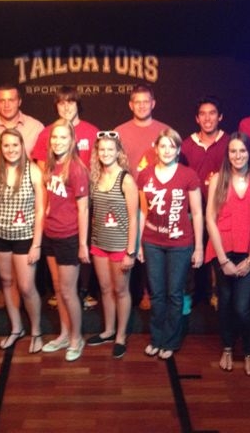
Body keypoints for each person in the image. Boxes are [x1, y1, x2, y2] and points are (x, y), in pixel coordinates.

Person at [205, 132, 250, 376]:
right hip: (222, 250)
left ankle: (249, 350)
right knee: (224, 303)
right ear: (227, 154)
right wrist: (222, 260)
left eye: (242, 151)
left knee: (242, 306)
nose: (238, 155)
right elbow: (210, 219)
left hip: (249, 251)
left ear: (249, 152)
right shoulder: (218, 180)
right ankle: (227, 347)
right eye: (233, 151)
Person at [0, 128, 45, 353]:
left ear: (22, 145)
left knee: (26, 287)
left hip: (25, 238)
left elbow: (40, 209)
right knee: (6, 282)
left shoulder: (33, 171)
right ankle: (16, 328)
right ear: (0, 147)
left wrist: (36, 243)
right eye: (6, 145)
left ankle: (36, 331)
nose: (11, 149)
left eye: (15, 145)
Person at [138, 128, 203, 360]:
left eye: (172, 146)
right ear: (156, 148)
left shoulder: (188, 175)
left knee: (175, 293)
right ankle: (156, 338)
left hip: (180, 243)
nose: (167, 150)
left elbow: (196, 212)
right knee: (156, 293)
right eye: (163, 146)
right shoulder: (144, 175)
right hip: (152, 242)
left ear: (178, 150)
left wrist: (199, 247)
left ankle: (171, 340)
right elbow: (142, 212)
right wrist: (138, 244)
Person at [32, 86, 100, 310]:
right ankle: (63, 290)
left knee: (86, 246)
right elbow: (44, 172)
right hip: (61, 201)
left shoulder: (91, 131)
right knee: (62, 249)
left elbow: (100, 165)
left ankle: (85, 290)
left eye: (71, 102)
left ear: (77, 105)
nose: (66, 107)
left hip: (87, 199)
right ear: (57, 106)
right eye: (62, 103)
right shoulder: (47, 133)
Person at [115, 83, 169, 311]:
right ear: (130, 105)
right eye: (137, 102)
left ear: (153, 103)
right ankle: (128, 292)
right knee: (127, 247)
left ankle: (151, 292)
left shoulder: (164, 131)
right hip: (127, 197)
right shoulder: (120, 131)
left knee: (152, 247)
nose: (142, 105)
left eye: (146, 101)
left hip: (155, 199)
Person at [40, 118, 90, 362]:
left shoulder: (77, 168)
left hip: (69, 236)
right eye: (55, 137)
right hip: (51, 233)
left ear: (72, 141)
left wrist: (82, 244)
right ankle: (63, 334)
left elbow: (83, 209)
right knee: (59, 289)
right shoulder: (50, 166)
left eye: (63, 137)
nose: (58, 142)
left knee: (69, 292)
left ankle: (76, 338)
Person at [87, 131, 138, 359]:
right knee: (105, 289)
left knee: (120, 290)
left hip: (120, 246)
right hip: (99, 243)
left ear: (118, 152)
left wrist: (131, 251)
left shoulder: (126, 179)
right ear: (97, 152)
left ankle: (120, 336)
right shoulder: (95, 177)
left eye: (110, 149)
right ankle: (108, 331)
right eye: (102, 149)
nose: (106, 153)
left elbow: (134, 217)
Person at [180, 95, 230, 311]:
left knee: (219, 255)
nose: (207, 118)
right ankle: (189, 296)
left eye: (212, 113)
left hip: (221, 211)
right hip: (193, 211)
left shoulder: (230, 143)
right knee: (190, 255)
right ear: (197, 119)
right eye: (203, 114)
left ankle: (217, 293)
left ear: (220, 117)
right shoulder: (187, 145)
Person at [0, 83, 44, 176]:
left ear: (19, 102)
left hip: (28, 187)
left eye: (11, 100)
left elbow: (43, 165)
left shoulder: (36, 127)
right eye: (2, 101)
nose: (7, 105)